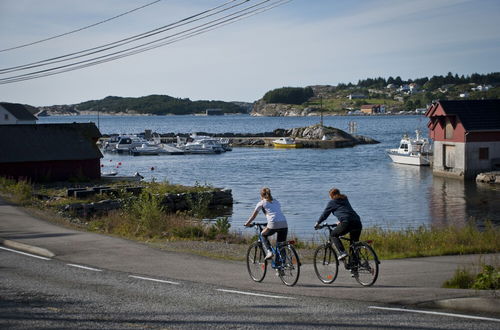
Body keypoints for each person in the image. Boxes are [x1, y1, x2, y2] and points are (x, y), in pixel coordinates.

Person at [314, 188, 362, 260]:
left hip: (347, 222)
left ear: (331, 195)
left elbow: (325, 214)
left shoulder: (332, 202)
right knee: (354, 244)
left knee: (333, 235)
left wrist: (317, 223)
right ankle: (355, 266)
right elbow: (345, 211)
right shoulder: (345, 200)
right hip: (357, 222)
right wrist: (340, 221)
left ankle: (342, 252)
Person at [245, 187, 288, 261]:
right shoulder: (276, 201)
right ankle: (281, 267)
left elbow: (253, 216)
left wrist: (247, 223)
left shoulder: (261, 203)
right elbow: (275, 213)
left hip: (273, 223)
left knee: (262, 234)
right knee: (281, 245)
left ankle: (269, 251)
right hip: (284, 223)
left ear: (261, 195)